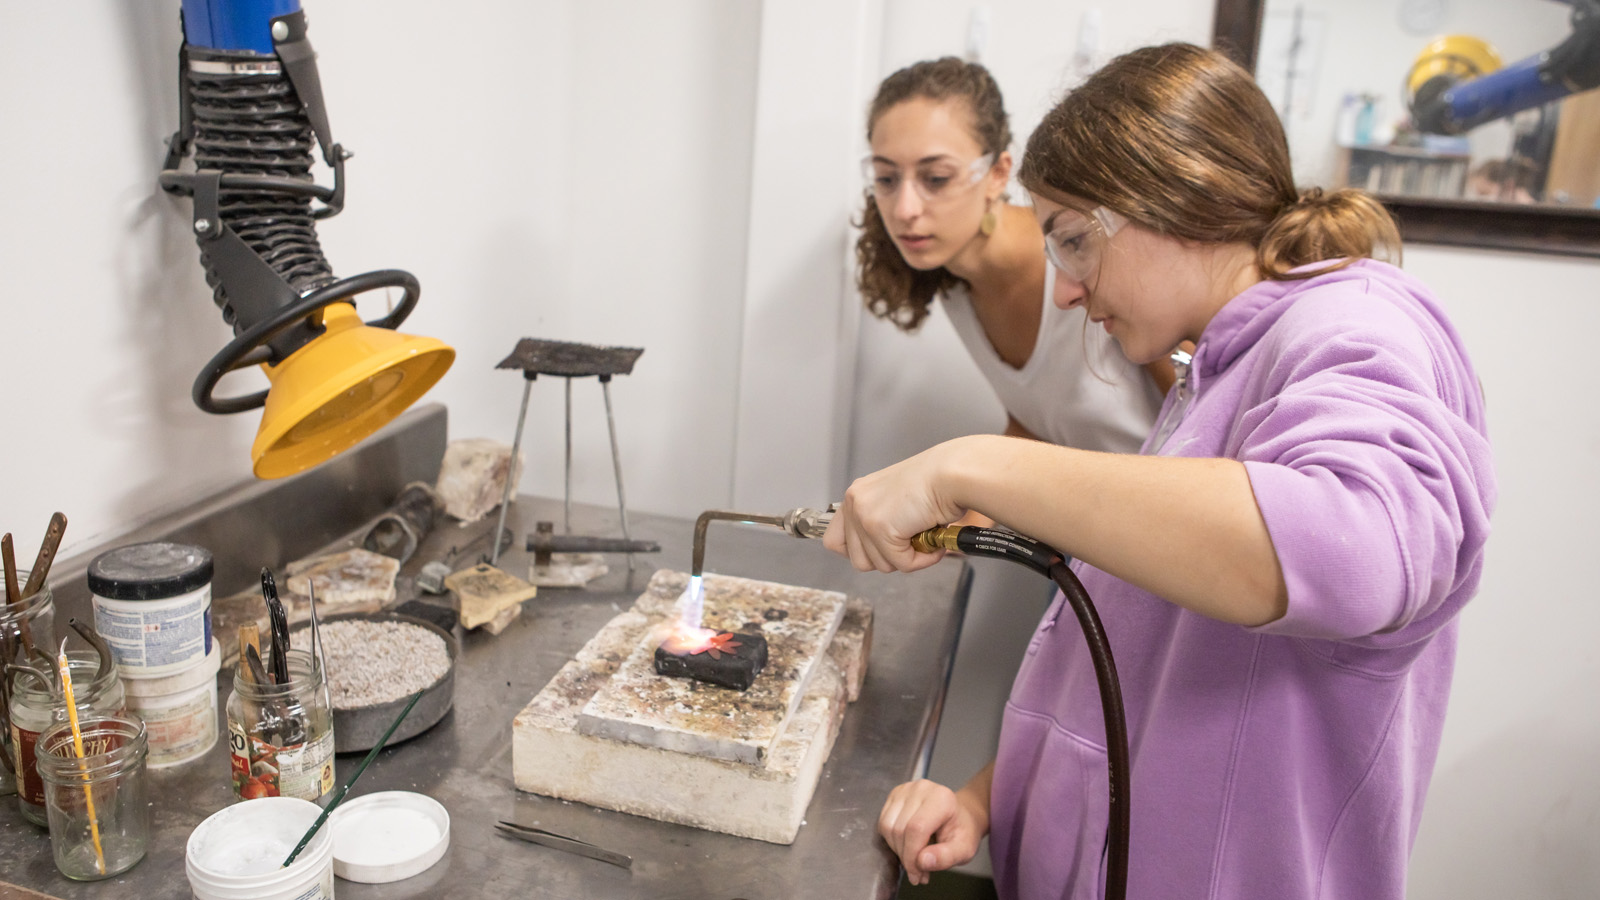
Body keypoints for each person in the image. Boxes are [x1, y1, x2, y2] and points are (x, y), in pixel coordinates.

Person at [825, 43, 1496, 900]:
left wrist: (971, 466)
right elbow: (1135, 655)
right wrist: (986, 799)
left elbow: (1354, 547)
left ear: (1180, 199)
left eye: (1073, 239)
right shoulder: (1208, 373)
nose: (1063, 291)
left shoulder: (1357, 322)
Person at [857, 57, 1168, 454]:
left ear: (998, 173)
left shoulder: (1089, 255)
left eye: (935, 178)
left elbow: (1206, 418)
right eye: (886, 179)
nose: (904, 210)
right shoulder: (953, 282)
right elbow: (1037, 423)